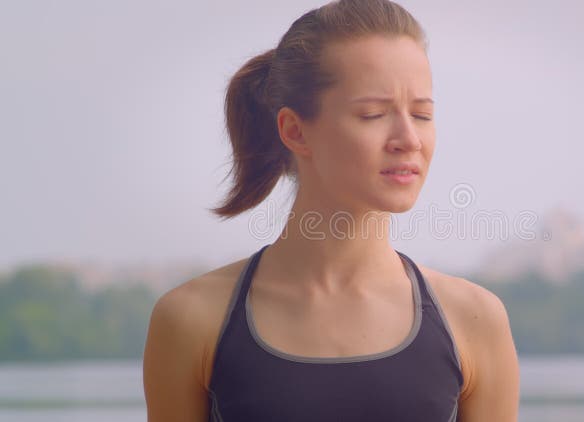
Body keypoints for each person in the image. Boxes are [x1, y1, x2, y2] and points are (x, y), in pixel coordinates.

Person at [142, 0, 519, 420]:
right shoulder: (192, 321)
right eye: (373, 114)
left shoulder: (474, 320)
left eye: (422, 114)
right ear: (295, 130)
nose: (409, 139)